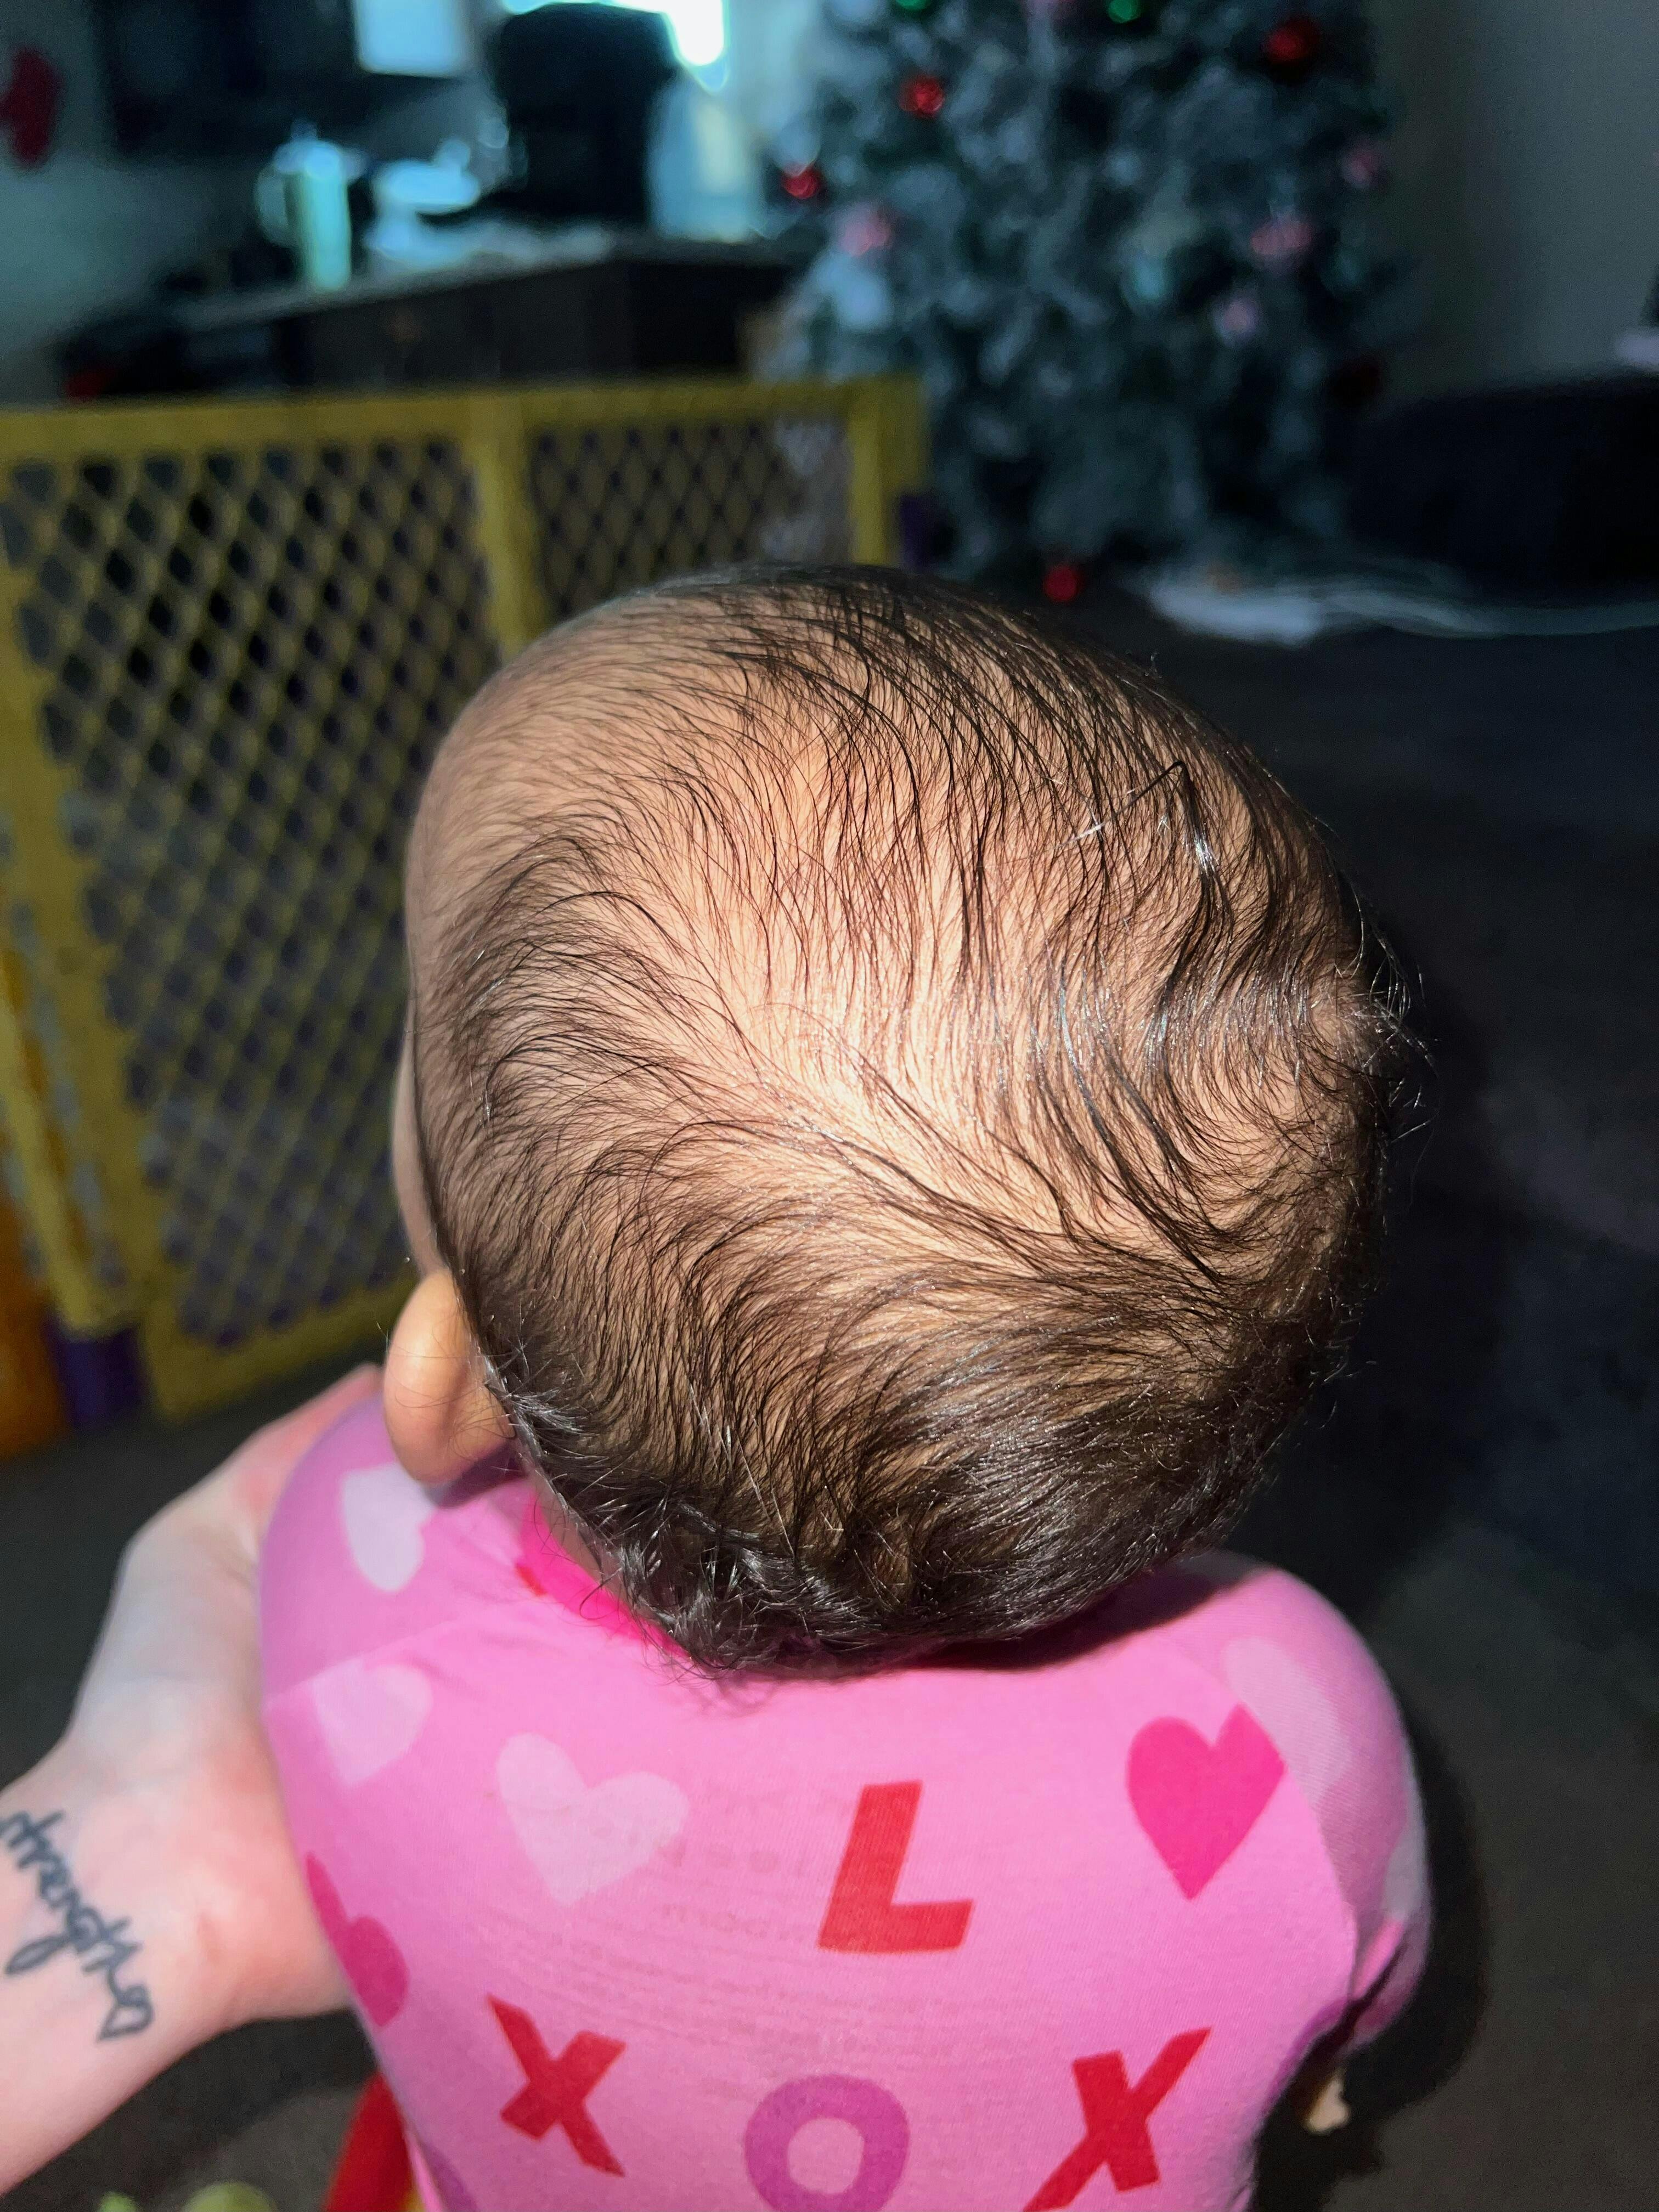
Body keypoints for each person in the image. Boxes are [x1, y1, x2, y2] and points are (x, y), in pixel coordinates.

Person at [3, 569, 1428, 2207]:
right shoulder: (1288, 1725)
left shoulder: (342, 1564)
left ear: (443, 1378)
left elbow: (277, 1546)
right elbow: (1362, 1984)